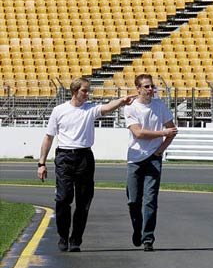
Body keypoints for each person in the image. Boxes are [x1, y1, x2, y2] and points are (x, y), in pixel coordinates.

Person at [37, 77, 135, 252]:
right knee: (64, 198)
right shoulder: (59, 110)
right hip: (64, 156)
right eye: (84, 90)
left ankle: (76, 239)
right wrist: (41, 163)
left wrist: (121, 101)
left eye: (88, 90)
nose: (87, 94)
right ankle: (62, 235)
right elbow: (49, 137)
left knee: (83, 201)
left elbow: (106, 107)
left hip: (84, 157)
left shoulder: (90, 109)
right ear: (75, 91)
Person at [124, 73, 178, 251]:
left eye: (152, 86)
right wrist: (162, 134)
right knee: (133, 200)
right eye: (146, 86)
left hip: (153, 158)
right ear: (138, 89)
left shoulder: (160, 105)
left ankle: (148, 238)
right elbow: (138, 133)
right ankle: (137, 229)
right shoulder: (131, 108)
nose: (150, 89)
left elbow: (172, 129)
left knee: (150, 200)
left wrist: (160, 150)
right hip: (135, 158)